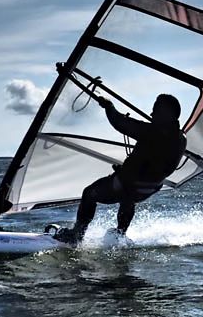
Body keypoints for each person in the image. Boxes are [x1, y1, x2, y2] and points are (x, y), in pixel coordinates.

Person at [54, 94, 186, 244]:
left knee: (89, 193)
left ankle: (76, 235)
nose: (151, 114)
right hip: (148, 189)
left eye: (155, 109)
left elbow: (119, 122)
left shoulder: (153, 131)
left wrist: (109, 106)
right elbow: (155, 160)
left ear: (167, 113)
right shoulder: (181, 138)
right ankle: (120, 233)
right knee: (129, 197)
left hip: (128, 184)